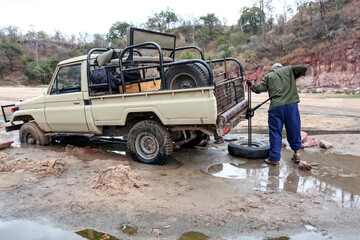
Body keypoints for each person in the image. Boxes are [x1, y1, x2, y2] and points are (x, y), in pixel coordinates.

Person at [246, 63, 308, 166]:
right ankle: (296, 153)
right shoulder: (288, 70)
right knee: (294, 128)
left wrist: (251, 83)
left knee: (275, 132)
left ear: (272, 69)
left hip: (276, 107)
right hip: (291, 106)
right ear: (281, 68)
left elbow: (258, 89)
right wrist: (295, 72)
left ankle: (274, 159)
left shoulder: (269, 76)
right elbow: (303, 68)